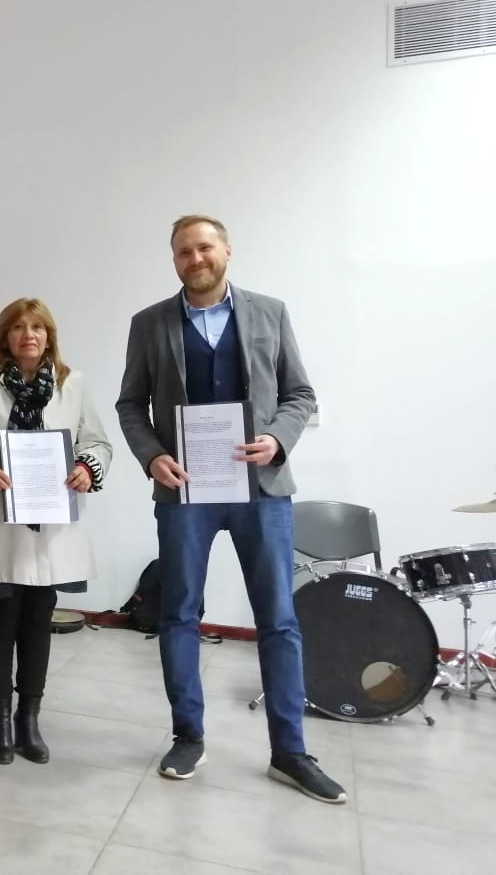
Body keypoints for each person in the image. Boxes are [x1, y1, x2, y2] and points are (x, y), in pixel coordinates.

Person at [115, 214, 345, 804]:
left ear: (226, 252)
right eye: (183, 251)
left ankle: (290, 752)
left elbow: (300, 394)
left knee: (279, 620)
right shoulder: (149, 323)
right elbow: (130, 404)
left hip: (260, 489)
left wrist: (277, 439)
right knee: (178, 614)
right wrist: (152, 456)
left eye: (204, 248)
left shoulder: (270, 312)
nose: (195, 259)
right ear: (174, 260)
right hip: (185, 490)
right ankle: (187, 736)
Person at [0, 298, 110, 764]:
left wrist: (87, 467)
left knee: (38, 617)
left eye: (37, 327)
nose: (28, 335)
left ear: (49, 335)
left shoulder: (72, 383)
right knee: (0, 618)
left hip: (51, 526)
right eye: (18, 327)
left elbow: (97, 442)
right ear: (4, 336)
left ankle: (28, 719)